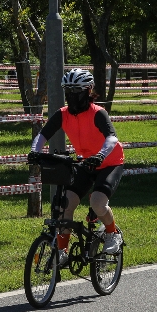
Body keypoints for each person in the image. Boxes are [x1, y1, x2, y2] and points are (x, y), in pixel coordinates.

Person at [28, 68, 124, 264]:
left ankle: (112, 233)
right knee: (66, 204)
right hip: (86, 162)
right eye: (68, 92)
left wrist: (100, 156)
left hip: (110, 162)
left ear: (88, 91)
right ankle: (61, 252)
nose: (72, 96)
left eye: (76, 91)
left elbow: (112, 138)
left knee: (97, 202)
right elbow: (43, 135)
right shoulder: (62, 114)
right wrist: (34, 151)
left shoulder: (98, 113)